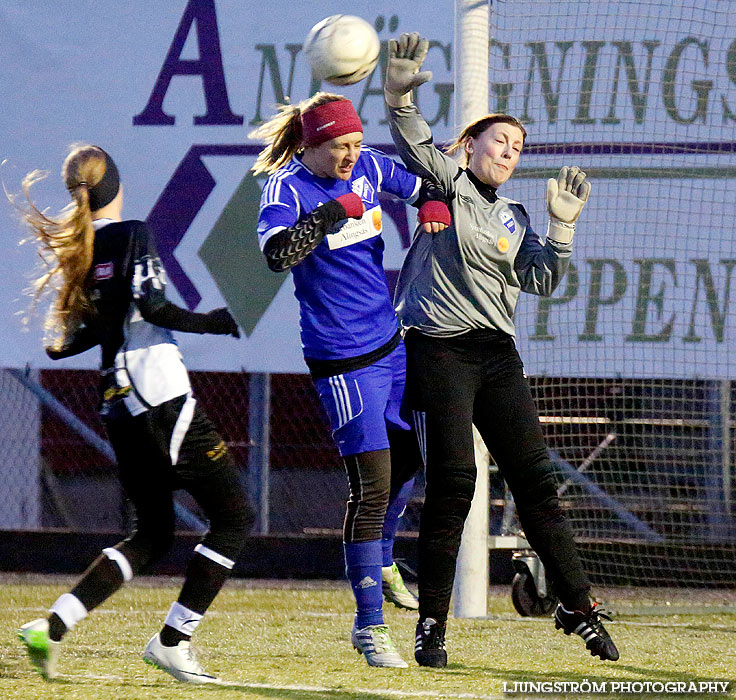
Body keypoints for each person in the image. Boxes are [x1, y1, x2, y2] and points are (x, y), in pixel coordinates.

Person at [383, 34, 619, 666]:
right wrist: (399, 95)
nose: (510, 153)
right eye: (499, 141)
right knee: (456, 482)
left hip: (496, 355)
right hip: (438, 351)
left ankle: (578, 605)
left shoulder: (514, 214)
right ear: (469, 145)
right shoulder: (450, 182)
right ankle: (432, 622)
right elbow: (412, 139)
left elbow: (541, 277)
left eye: (517, 147)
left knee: (537, 485)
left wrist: (562, 226)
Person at [13, 144, 252, 684]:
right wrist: (215, 321)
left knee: (153, 533)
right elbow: (154, 309)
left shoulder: (83, 247)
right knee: (235, 517)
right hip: (158, 396)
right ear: (115, 186)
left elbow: (69, 343)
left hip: (117, 405)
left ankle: (50, 628)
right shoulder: (133, 233)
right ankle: (174, 640)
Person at [250, 93, 450, 668]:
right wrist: (330, 213)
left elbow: (428, 182)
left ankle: (383, 559)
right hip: (343, 359)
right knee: (372, 487)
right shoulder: (285, 189)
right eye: (339, 146)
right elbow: (277, 254)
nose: (350, 155)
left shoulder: (367, 164)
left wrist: (433, 206)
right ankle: (369, 627)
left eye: (356, 144)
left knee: (415, 457)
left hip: (392, 344)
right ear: (311, 145)